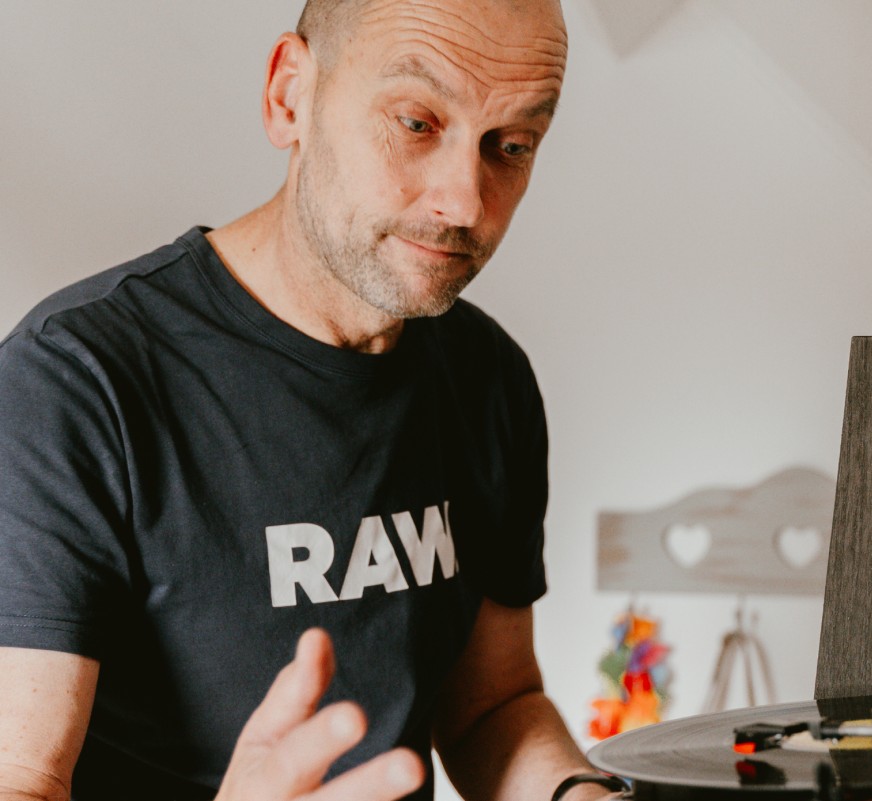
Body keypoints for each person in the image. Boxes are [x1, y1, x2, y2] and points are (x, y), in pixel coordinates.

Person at [0, 1, 622, 799]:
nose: (465, 202)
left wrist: (581, 794)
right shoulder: (72, 381)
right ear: (289, 95)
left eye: (511, 145)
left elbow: (491, 708)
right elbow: (21, 780)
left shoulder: (487, 375)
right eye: (416, 123)